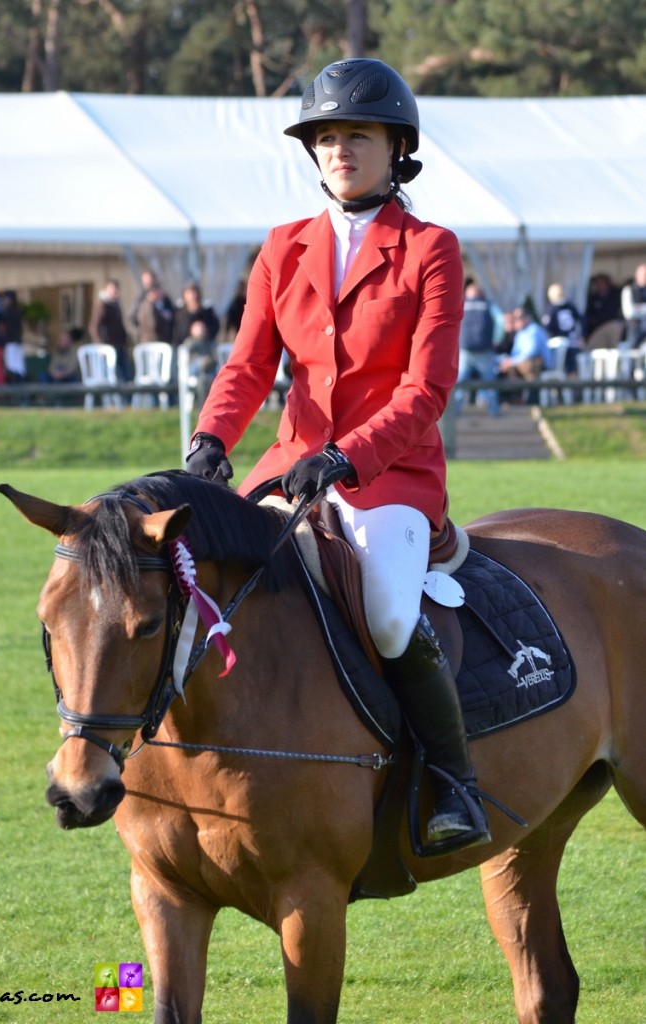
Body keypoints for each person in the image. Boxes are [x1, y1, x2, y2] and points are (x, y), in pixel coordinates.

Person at [184, 57, 490, 854]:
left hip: (389, 478)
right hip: (288, 465)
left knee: (388, 612)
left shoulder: (431, 249)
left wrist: (349, 457)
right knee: (198, 575)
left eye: (356, 134)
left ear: (396, 148)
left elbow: (425, 390)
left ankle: (451, 781)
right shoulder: (283, 248)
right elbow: (248, 366)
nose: (338, 149)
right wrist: (212, 437)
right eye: (324, 137)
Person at [455, 281, 500, 417]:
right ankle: (493, 410)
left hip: (465, 349)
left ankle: (455, 411)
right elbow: (501, 321)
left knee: (461, 380)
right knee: (489, 380)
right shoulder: (488, 304)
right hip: (485, 349)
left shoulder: (461, 304)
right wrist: (496, 340)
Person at [497, 307, 551, 399]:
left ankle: (533, 397)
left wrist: (512, 362)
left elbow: (530, 352)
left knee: (526, 365)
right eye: (515, 318)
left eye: (519, 318)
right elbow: (515, 353)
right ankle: (515, 398)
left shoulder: (534, 330)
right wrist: (509, 362)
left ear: (528, 318)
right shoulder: (520, 333)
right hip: (524, 362)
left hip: (540, 364)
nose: (516, 321)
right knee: (509, 368)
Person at [88, 278, 131, 382]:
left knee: (125, 375)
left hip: (119, 344)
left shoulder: (116, 304)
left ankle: (125, 397)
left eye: (116, 289)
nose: (115, 291)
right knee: (112, 375)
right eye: (112, 289)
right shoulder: (102, 305)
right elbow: (94, 327)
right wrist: (100, 345)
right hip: (108, 345)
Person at [541, 283, 583, 374]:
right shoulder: (571, 306)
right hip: (572, 341)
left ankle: (568, 384)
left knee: (561, 366)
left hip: (561, 343)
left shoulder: (552, 308)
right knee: (572, 367)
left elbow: (547, 325)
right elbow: (581, 320)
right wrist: (581, 336)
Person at [130, 272, 175, 344]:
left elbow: (172, 313)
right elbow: (133, 317)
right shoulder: (142, 301)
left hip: (165, 338)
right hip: (149, 339)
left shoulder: (165, 299)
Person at [173, 281, 220, 349]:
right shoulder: (179, 311)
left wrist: (204, 330)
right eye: (189, 293)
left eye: (194, 293)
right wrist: (192, 330)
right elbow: (177, 332)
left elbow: (215, 326)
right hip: (185, 344)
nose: (192, 296)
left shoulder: (207, 309)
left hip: (206, 342)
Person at [1, 289, 27, 383]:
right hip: (17, 343)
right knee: (19, 369)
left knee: (13, 369)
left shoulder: (8, 313)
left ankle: (19, 392)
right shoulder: (17, 311)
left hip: (11, 343)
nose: (4, 301)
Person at [620, 263, 646, 348]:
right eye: (643, 274)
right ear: (637, 275)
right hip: (634, 329)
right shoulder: (629, 290)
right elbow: (629, 312)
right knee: (632, 352)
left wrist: (639, 308)